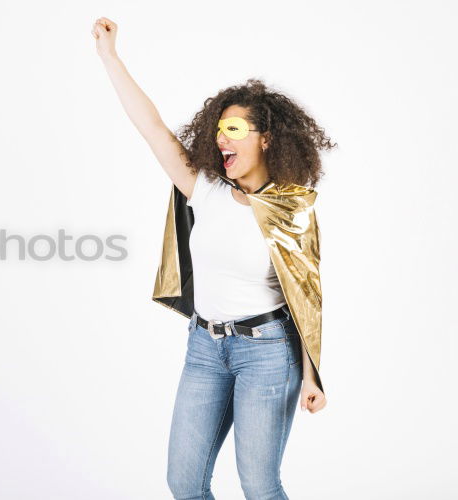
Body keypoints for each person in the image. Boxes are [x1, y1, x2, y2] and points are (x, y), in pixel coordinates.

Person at [91, 17, 336, 499]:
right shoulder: (205, 190)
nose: (223, 138)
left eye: (235, 128)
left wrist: (312, 376)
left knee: (260, 485)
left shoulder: (290, 207)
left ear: (266, 138)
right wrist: (109, 57)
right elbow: (153, 129)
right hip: (204, 349)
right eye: (219, 128)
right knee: (185, 482)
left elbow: (307, 293)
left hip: (267, 352)